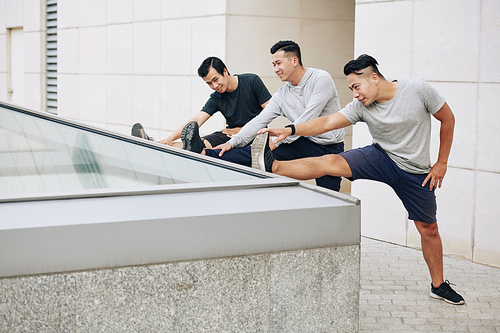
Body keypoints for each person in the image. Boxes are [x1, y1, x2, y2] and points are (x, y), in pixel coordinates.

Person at [256, 54, 464, 305]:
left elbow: (447, 119)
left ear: (374, 78)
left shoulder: (417, 89)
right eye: (351, 88)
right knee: (331, 162)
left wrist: (441, 163)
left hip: (415, 170)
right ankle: (273, 165)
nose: (354, 94)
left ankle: (438, 285)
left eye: (356, 86)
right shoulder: (360, 107)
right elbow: (327, 122)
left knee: (428, 228)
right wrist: (290, 130)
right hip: (381, 156)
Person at [183, 40, 345, 191]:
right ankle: (204, 153)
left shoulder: (320, 79)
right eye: (273, 64)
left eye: (279, 63)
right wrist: (233, 142)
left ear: (294, 61)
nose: (275, 69)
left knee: (330, 195)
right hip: (303, 141)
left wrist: (281, 138)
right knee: (256, 152)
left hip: (330, 146)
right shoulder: (282, 94)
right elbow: (259, 121)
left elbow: (309, 117)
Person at [131, 56, 271, 150]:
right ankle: (152, 144)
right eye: (209, 83)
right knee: (195, 145)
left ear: (224, 71)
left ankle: (151, 144)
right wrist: (170, 138)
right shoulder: (217, 97)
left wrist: (245, 130)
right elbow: (197, 119)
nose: (214, 86)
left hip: (256, 134)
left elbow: (270, 111)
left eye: (215, 80)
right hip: (230, 134)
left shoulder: (251, 81)